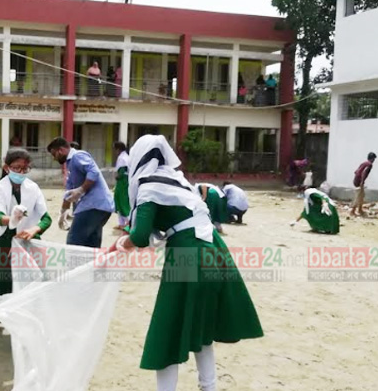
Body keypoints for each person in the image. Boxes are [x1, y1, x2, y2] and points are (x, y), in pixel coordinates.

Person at [109, 134, 263, 391]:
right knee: (201, 328)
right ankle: (208, 386)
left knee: (167, 331)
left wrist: (121, 245)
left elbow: (139, 235)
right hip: (215, 250)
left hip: (187, 253)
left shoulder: (148, 185)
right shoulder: (178, 180)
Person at [0, 148, 52, 330]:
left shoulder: (33, 188)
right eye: (16, 168)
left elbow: (46, 218)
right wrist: (12, 219)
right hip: (5, 239)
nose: (21, 172)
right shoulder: (0, 188)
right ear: (6, 167)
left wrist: (34, 228)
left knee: (28, 278)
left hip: (28, 239)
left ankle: (24, 314)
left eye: (25, 169)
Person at [47, 137, 114, 248]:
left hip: (92, 205)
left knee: (74, 242)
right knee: (90, 244)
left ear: (61, 150)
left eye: (54, 154)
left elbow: (94, 172)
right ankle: (92, 265)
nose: (54, 158)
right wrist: (62, 214)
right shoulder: (70, 164)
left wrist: (81, 189)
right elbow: (69, 193)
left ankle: (74, 265)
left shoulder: (77, 156)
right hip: (101, 207)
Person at [350, 152, 377, 217]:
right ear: (372, 158)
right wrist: (362, 182)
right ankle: (352, 211)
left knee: (362, 195)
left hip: (356, 180)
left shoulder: (364, 163)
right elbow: (364, 173)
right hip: (359, 181)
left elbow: (356, 171)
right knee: (358, 196)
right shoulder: (369, 164)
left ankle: (360, 210)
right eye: (374, 159)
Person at [113, 142, 131, 230]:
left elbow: (122, 171)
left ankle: (127, 222)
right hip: (124, 182)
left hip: (123, 182)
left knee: (122, 201)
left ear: (118, 149)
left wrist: (117, 176)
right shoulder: (127, 156)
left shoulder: (122, 158)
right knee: (119, 200)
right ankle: (121, 223)